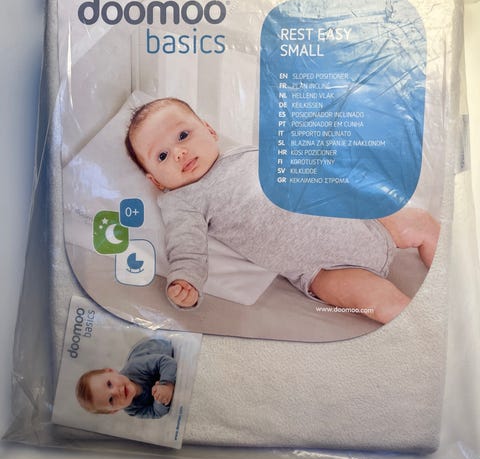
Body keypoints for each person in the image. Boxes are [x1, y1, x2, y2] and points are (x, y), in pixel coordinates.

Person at [124, 98, 440, 324]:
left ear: (209, 130)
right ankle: (433, 333)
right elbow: (186, 247)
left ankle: (454, 278)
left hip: (359, 218)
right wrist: (186, 280)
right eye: (162, 156)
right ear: (156, 181)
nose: (179, 153)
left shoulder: (247, 153)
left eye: (183, 135)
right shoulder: (183, 201)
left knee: (421, 223)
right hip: (321, 270)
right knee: (380, 302)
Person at [76, 338, 176, 418]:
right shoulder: (132, 410)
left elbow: (166, 362)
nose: (116, 392)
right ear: (114, 410)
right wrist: (160, 399)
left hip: (153, 348)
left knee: (164, 351)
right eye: (111, 400)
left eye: (109, 384)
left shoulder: (135, 367)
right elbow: (156, 413)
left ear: (110, 371)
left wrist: (166, 384)